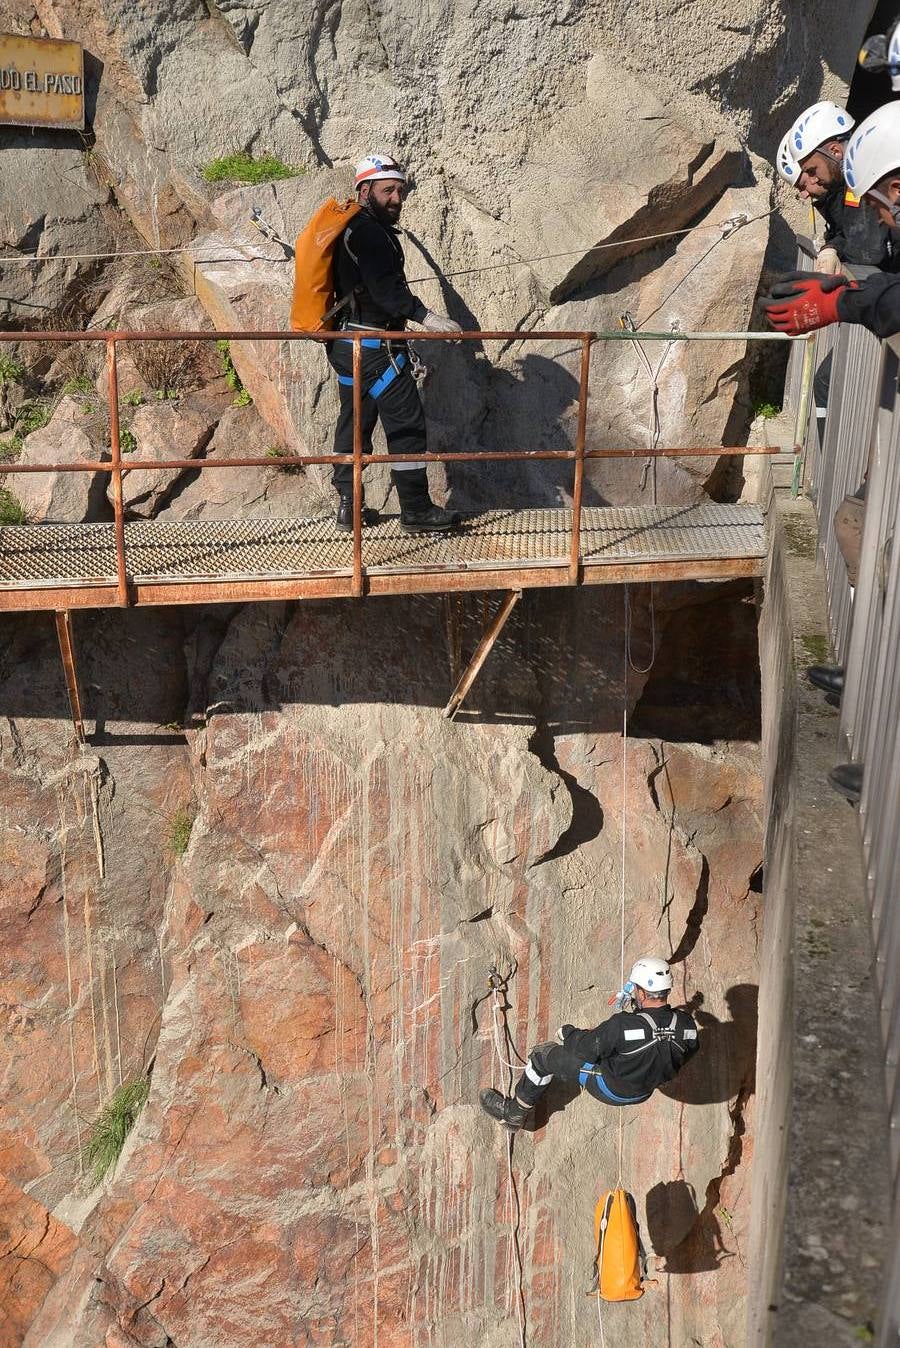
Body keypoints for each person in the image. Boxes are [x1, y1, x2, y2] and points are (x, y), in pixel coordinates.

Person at [327, 152, 463, 534]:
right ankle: (417, 510)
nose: (397, 199)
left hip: (348, 344)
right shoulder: (368, 232)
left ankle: (348, 505)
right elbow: (386, 292)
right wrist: (426, 318)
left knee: (355, 424)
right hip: (376, 346)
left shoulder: (352, 227)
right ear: (365, 190)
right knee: (406, 423)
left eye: (400, 191)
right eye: (388, 190)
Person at [480, 957, 699, 1131]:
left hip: (612, 1088)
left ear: (642, 992)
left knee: (542, 1055)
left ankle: (513, 1114)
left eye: (635, 990)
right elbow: (682, 1051)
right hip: (644, 1091)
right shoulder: (686, 1025)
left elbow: (584, 1049)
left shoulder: (622, 1025)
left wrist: (568, 1033)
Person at [775, 102, 890, 274]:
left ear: (835, 151)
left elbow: (869, 253)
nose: (805, 193)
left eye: (811, 172)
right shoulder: (852, 184)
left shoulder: (873, 176)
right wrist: (832, 248)